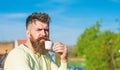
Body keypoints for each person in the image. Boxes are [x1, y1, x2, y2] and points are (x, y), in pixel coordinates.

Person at [4, 12, 68, 70]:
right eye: (39, 30)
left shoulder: (45, 55)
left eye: (46, 30)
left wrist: (63, 59)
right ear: (28, 33)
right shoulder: (18, 55)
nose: (44, 34)